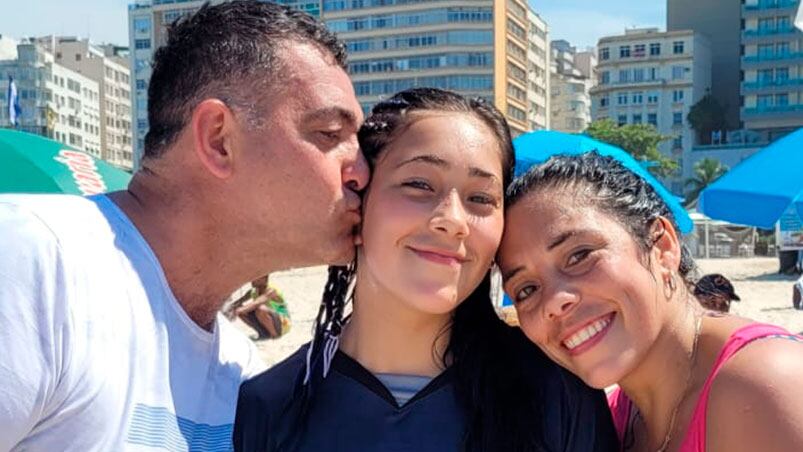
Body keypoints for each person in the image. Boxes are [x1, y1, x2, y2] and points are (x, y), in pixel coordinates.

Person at [0, 1, 368, 450]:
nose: (361, 171)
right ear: (218, 139)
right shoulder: (35, 261)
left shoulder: (238, 366)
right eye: (330, 134)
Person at [233, 88, 619, 452]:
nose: (453, 220)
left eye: (480, 198)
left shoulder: (557, 395)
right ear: (359, 202)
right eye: (419, 184)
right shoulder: (270, 406)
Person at [497, 152, 803, 452]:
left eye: (578, 256)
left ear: (663, 248)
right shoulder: (617, 415)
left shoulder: (764, 388)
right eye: (526, 289)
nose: (554, 301)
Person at [224, 275, 292, 340]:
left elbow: (256, 303)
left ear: (264, 279)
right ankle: (263, 333)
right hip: (270, 319)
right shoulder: (253, 291)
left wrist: (238, 311)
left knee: (260, 308)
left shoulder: (271, 290)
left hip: (283, 323)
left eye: (256, 278)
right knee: (240, 309)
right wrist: (230, 309)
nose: (252, 280)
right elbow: (239, 302)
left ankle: (275, 335)